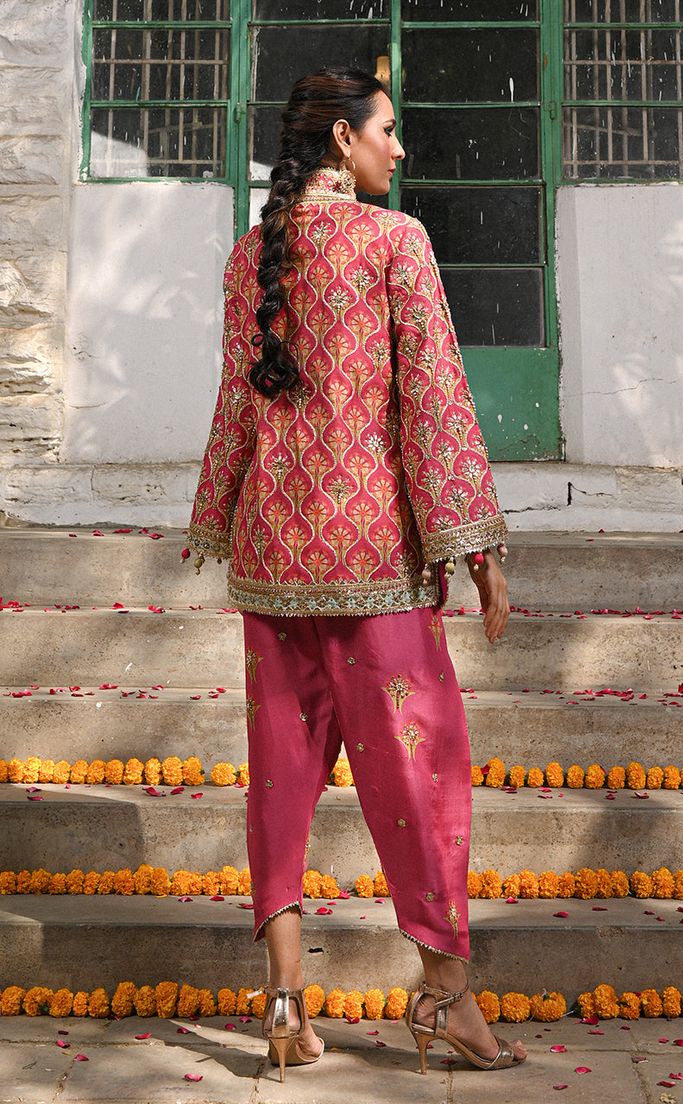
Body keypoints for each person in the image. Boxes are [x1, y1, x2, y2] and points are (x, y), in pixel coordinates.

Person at [184, 66, 526, 1081]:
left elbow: (236, 410)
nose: (400, 147)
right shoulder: (394, 243)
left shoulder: (255, 253)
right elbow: (433, 400)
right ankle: (446, 998)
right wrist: (475, 548)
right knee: (422, 774)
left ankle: (286, 1001)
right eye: (388, 130)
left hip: (273, 559)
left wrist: (216, 518)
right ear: (341, 137)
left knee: (281, 778)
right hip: (372, 557)